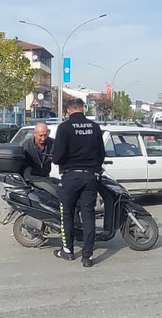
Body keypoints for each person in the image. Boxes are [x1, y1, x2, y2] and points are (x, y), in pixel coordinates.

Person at [52, 98, 106, 268]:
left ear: (68, 111)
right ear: (83, 109)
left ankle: (67, 251)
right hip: (90, 177)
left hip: (71, 177)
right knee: (88, 215)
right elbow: (101, 154)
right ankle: (87, 256)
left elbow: (57, 156)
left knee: (67, 213)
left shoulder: (64, 128)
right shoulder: (94, 127)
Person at [20, 122, 57, 195]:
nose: (43, 138)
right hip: (31, 180)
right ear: (34, 133)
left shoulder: (53, 143)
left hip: (45, 178)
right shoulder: (26, 145)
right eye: (40, 136)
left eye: (45, 135)